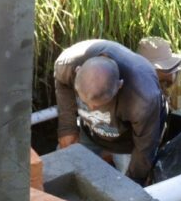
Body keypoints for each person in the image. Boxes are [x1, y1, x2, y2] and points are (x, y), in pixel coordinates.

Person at [54, 39, 165, 185]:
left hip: (129, 144)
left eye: (100, 103)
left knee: (126, 188)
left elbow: (145, 148)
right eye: (85, 101)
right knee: (60, 168)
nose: (92, 109)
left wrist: (134, 183)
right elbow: (62, 83)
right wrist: (67, 127)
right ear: (77, 71)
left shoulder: (144, 97)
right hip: (89, 132)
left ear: (119, 85)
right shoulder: (68, 63)